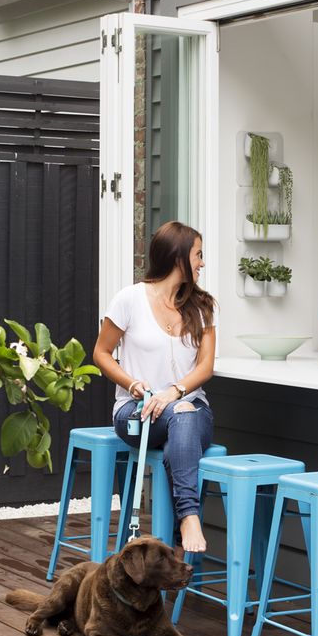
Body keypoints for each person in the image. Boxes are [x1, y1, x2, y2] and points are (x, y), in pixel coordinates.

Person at [93, 221, 216, 555]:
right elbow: (101, 353)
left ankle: (186, 515)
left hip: (190, 410)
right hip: (138, 412)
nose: (203, 263)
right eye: (198, 255)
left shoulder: (201, 305)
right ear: (178, 258)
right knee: (181, 417)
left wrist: (174, 392)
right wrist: (131, 383)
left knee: (185, 413)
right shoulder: (129, 299)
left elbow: (205, 367)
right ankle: (187, 518)